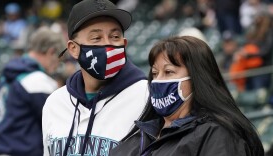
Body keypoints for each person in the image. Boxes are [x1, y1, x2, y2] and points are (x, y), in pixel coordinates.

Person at [110, 36, 264, 156]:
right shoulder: (142, 133)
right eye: (155, 73)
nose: (158, 81)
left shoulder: (218, 134)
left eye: (169, 72)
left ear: (197, 78)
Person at [42, 0, 148, 156]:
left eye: (115, 36)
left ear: (124, 44)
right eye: (96, 38)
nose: (107, 44)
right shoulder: (55, 102)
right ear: (73, 49)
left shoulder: (147, 95)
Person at [0, 26, 64, 156]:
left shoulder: (8, 74)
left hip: (1, 148)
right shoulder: (38, 81)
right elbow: (58, 126)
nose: (57, 65)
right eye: (59, 59)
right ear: (51, 52)